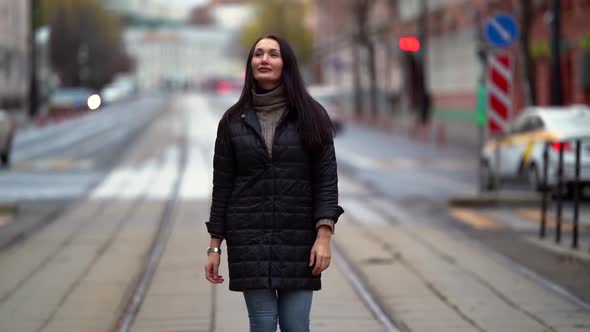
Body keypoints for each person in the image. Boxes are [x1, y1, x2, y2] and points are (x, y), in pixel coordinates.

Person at [204, 34, 344, 332]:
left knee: (296, 325)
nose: (264, 59)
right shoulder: (232, 121)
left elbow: (326, 180)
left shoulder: (312, 116)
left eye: (273, 54)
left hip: (298, 239)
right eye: (258, 54)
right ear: (250, 64)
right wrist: (215, 246)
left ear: (286, 64)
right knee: (263, 324)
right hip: (248, 237)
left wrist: (324, 236)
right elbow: (223, 186)